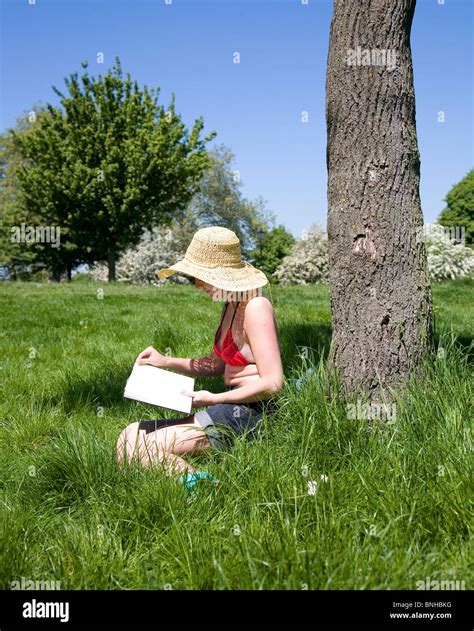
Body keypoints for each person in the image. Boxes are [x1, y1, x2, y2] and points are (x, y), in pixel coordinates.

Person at [116, 226, 284, 490]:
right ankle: (189, 481)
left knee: (143, 448)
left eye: (202, 278)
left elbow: (273, 384)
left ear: (222, 276)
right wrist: (165, 361)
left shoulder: (256, 307)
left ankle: (203, 487)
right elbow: (217, 364)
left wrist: (215, 398)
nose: (197, 286)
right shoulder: (230, 305)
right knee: (129, 435)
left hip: (250, 413)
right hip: (228, 407)